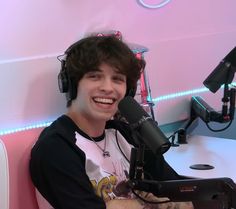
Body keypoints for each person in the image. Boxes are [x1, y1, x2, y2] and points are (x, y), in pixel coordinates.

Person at [29, 34, 194, 209]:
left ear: (127, 91)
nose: (108, 88)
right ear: (72, 84)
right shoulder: (55, 148)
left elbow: (176, 190)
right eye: (95, 76)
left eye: (117, 79)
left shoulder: (127, 133)